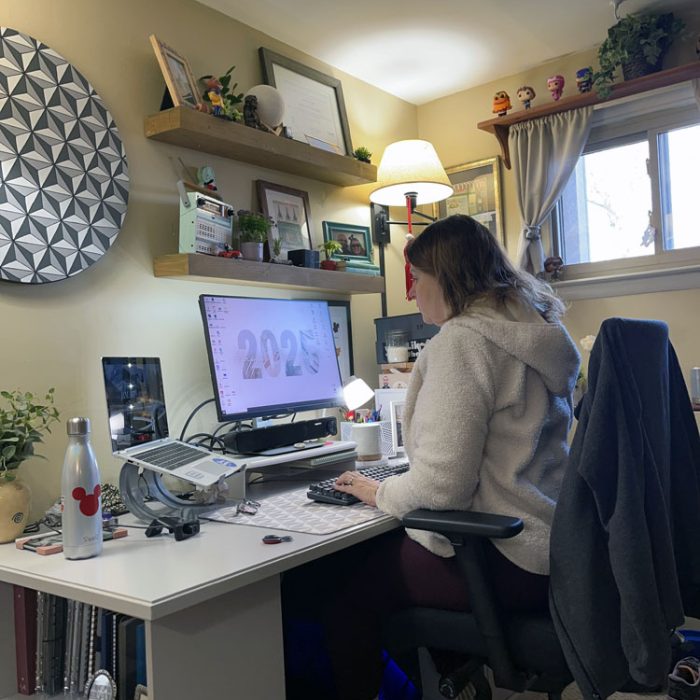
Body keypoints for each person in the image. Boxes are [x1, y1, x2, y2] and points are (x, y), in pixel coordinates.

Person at [282, 214, 580, 700]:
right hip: (550, 545)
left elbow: (441, 488)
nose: (412, 293)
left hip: (504, 558)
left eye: (417, 278)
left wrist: (377, 490)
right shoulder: (531, 331)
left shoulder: (463, 342)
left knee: (337, 590)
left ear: (450, 278)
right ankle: (448, 679)